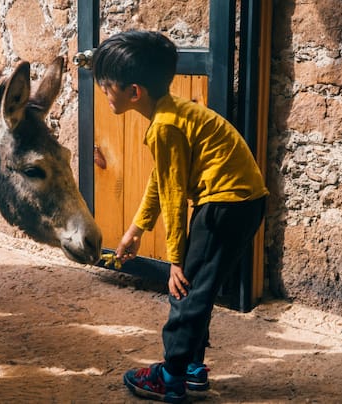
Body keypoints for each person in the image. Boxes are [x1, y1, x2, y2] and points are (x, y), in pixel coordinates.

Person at [92, 30, 269, 403]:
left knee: (185, 288)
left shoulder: (166, 126)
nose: (104, 93)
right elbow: (163, 178)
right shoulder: (171, 113)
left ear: (134, 92)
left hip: (225, 205)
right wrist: (136, 229)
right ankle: (191, 366)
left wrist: (175, 260)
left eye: (107, 86)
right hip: (238, 203)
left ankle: (170, 375)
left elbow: (173, 197)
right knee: (199, 286)